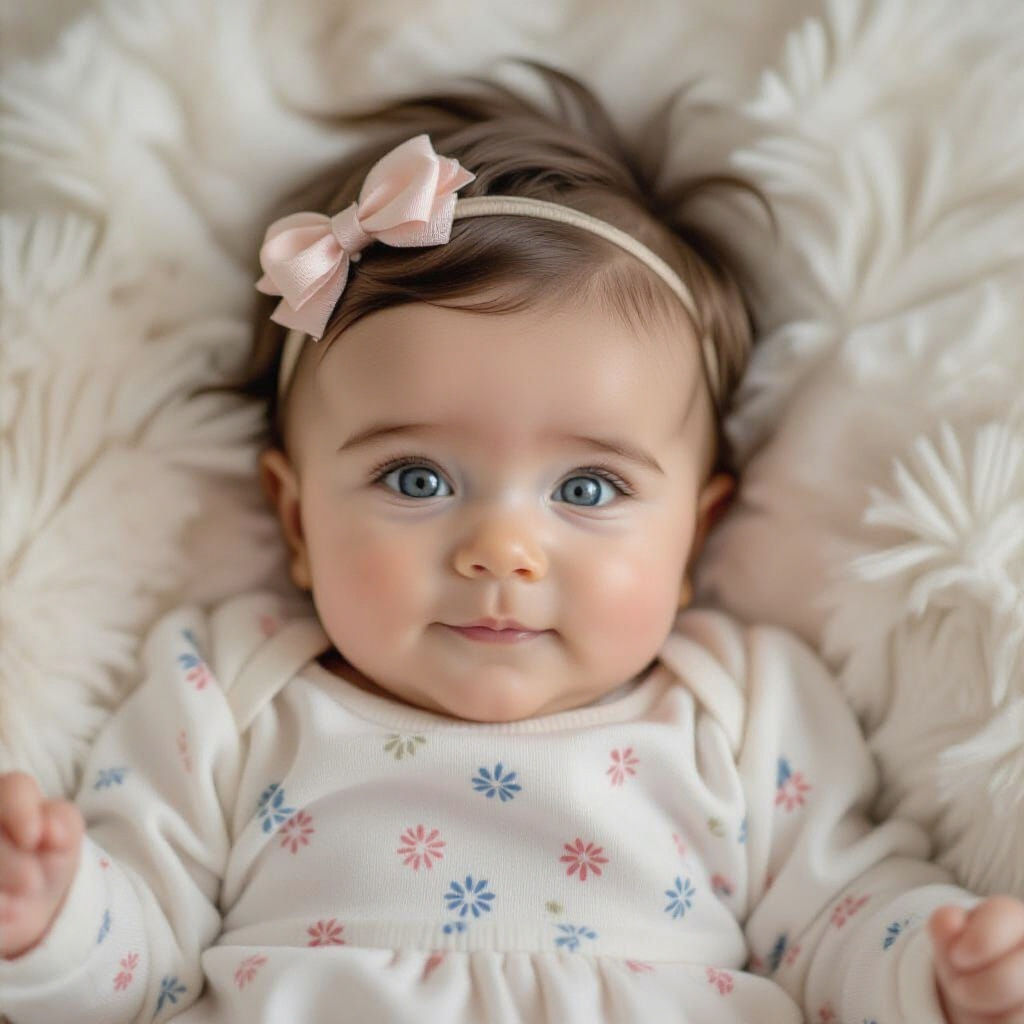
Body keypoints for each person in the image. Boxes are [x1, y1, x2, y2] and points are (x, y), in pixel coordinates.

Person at [1, 60, 1022, 1024]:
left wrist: (936, 970)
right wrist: (51, 916)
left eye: (587, 486)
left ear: (693, 534)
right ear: (297, 517)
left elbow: (838, 917)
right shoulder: (230, 690)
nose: (501, 550)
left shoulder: (740, 706)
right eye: (416, 479)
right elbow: (142, 959)